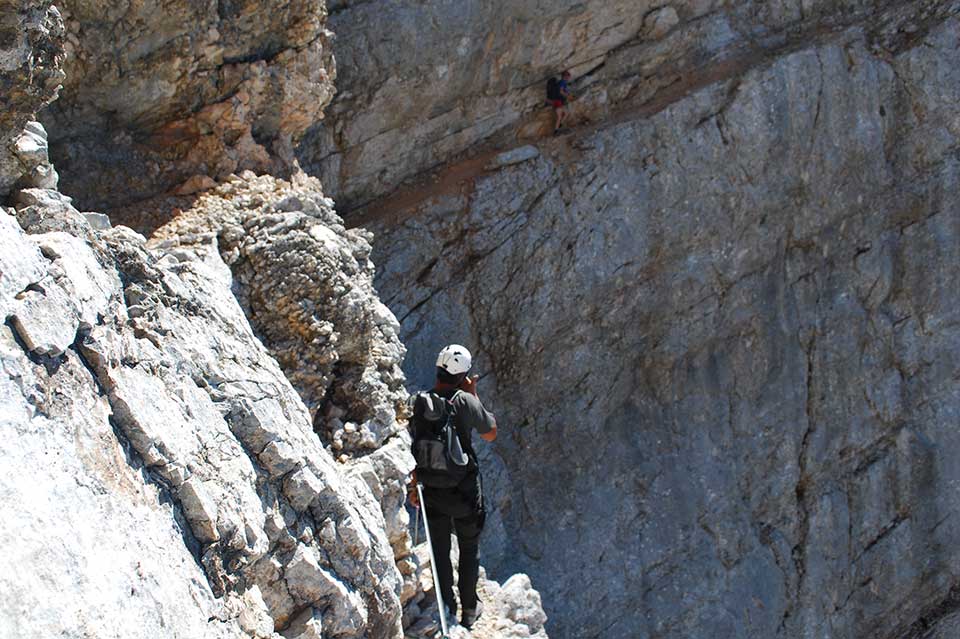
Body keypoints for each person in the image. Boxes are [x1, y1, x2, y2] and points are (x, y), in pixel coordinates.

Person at [408, 344, 497, 629]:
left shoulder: (420, 402)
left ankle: (447, 605)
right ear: (463, 376)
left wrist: (414, 487)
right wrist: (473, 394)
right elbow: (490, 433)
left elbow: (413, 448)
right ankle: (469, 609)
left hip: (431, 490)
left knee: (439, 550)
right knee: (469, 549)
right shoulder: (465, 400)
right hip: (464, 492)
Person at [546, 70, 573, 135]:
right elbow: (561, 91)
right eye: (568, 77)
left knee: (566, 113)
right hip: (558, 102)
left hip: (557, 101)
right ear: (565, 77)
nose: (569, 78)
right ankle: (556, 131)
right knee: (559, 116)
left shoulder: (560, 82)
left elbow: (562, 91)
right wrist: (567, 96)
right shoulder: (562, 82)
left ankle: (559, 126)